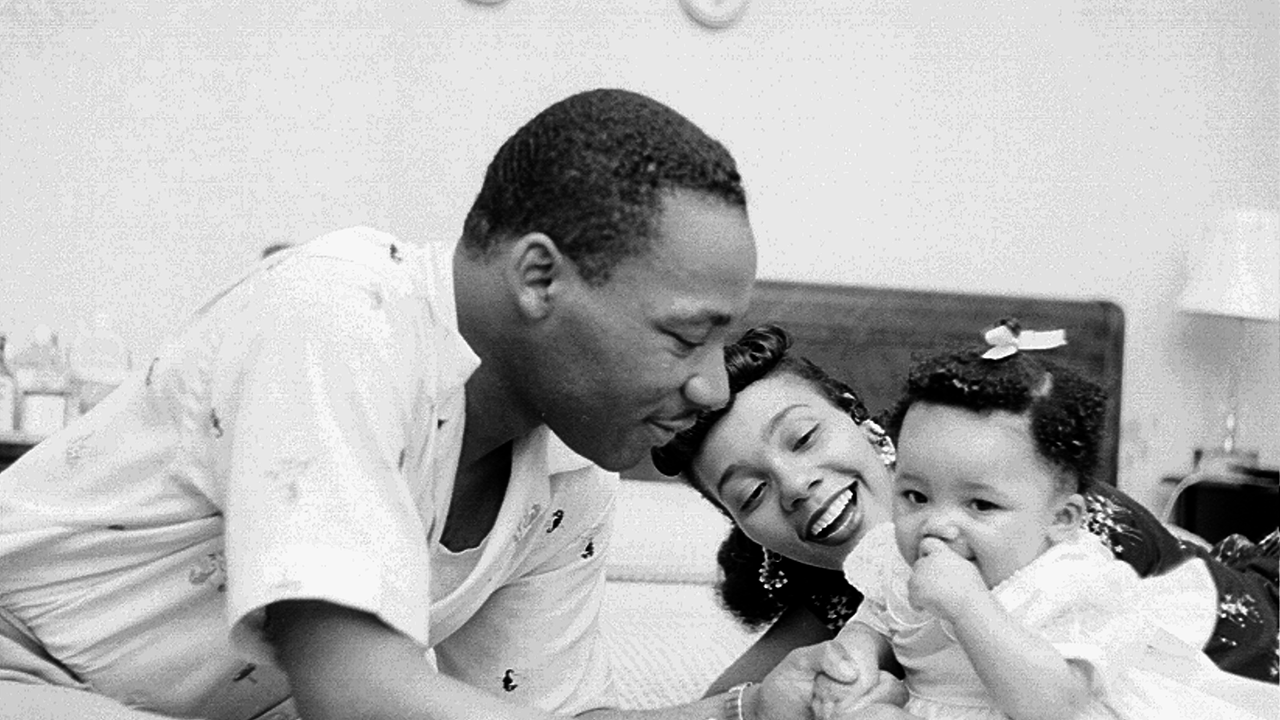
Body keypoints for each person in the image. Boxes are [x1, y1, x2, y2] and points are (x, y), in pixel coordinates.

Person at [0, 88, 859, 720]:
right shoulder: (340, 316)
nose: (710, 386)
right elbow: (358, 697)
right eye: (683, 338)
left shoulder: (570, 470)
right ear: (538, 277)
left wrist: (743, 711)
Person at [650, 324, 1280, 697]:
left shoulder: (1045, 526)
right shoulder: (848, 599)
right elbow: (727, 706)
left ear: (863, 422)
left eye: (805, 437)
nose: (794, 486)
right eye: (751, 495)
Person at [809, 328, 1271, 719]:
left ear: (1063, 519)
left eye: (981, 505)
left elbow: (1056, 706)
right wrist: (856, 657)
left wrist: (970, 608)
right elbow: (878, 620)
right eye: (915, 496)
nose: (939, 525)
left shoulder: (1065, 583)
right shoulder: (896, 560)